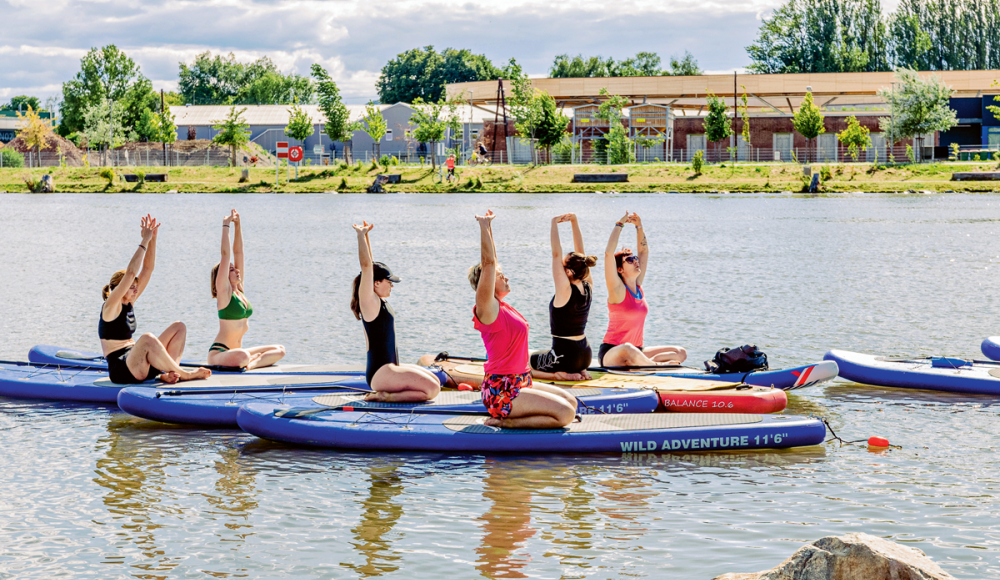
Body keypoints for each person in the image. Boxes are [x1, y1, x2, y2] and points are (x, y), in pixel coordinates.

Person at [469, 209, 577, 428]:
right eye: (500, 276)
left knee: (571, 401)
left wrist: (489, 225)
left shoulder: (503, 307)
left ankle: (514, 417)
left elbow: (493, 262)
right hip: (501, 390)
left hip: (521, 381)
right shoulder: (487, 309)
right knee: (565, 414)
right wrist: (482, 227)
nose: (505, 276)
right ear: (487, 283)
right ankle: (506, 422)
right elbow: (489, 263)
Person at [100, 215, 211, 384]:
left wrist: (153, 238)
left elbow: (148, 268)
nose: (135, 288)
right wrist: (144, 240)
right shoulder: (110, 306)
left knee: (178, 327)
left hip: (138, 362)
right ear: (118, 288)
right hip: (122, 369)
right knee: (147, 338)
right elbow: (131, 273)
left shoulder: (129, 302)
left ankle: (169, 373)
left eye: (135, 285)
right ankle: (184, 374)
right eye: (131, 285)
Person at [351, 220, 442, 402]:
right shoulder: (369, 302)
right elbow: (367, 267)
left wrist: (367, 234)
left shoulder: (379, 302)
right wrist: (360, 236)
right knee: (431, 390)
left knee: (435, 382)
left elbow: (371, 265)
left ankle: (388, 394)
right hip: (381, 372)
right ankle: (385, 396)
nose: (392, 285)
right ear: (376, 283)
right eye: (389, 281)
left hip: (390, 368)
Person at [598, 211, 687, 368]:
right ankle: (654, 365)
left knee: (680, 352)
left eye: (635, 259)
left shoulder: (638, 287)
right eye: (630, 260)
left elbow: (644, 251)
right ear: (619, 269)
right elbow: (608, 254)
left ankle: (647, 363)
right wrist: (620, 224)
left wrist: (639, 226)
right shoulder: (617, 290)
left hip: (637, 350)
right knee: (627, 348)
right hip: (613, 352)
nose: (635, 261)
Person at [208, 209, 285, 369]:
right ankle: (250, 361)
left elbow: (239, 252)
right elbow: (226, 255)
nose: (237, 270)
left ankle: (250, 365)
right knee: (243, 355)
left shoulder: (240, 291)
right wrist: (225, 225)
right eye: (231, 270)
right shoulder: (225, 294)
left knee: (280, 350)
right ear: (222, 278)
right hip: (221, 353)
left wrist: (238, 225)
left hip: (237, 352)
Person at [529, 213, 596, 381]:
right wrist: (574, 221)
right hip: (585, 354)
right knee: (540, 353)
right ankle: (580, 370)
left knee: (522, 360)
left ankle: (558, 375)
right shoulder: (588, 285)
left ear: (568, 271)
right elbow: (581, 254)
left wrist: (553, 223)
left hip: (565, 356)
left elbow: (555, 254)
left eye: (564, 265)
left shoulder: (565, 289)